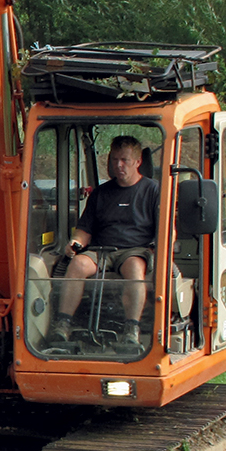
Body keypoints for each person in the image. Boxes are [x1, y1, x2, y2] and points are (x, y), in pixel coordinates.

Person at [47, 135, 158, 351]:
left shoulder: (153, 190)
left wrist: (160, 249)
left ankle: (131, 330)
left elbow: (166, 229)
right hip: (101, 250)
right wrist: (76, 243)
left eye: (124, 160)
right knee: (78, 264)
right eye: (115, 159)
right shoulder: (101, 193)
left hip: (134, 251)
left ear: (138, 162)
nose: (119, 165)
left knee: (135, 268)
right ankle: (63, 324)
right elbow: (84, 230)